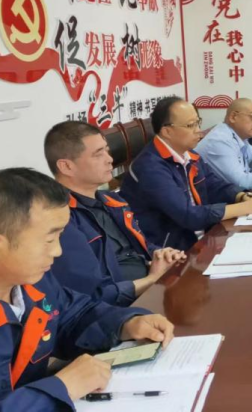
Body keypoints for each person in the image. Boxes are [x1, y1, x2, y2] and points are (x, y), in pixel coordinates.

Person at [0, 168, 175, 409]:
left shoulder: (33, 284)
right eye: (49, 240)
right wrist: (60, 390)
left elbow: (73, 315)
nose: (58, 251)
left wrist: (125, 323)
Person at [44, 121, 186, 306]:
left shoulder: (112, 200)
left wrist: (161, 255)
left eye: (107, 150)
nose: (109, 159)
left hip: (148, 287)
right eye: (98, 154)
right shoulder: (61, 220)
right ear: (66, 167)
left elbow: (137, 248)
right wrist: (152, 279)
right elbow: (91, 296)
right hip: (119, 309)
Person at [120, 97, 252, 250]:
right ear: (167, 131)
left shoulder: (189, 155)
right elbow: (188, 215)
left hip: (201, 238)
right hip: (169, 251)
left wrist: (242, 196)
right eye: (190, 125)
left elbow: (214, 185)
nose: (198, 130)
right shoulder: (150, 167)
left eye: (198, 122)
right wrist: (245, 207)